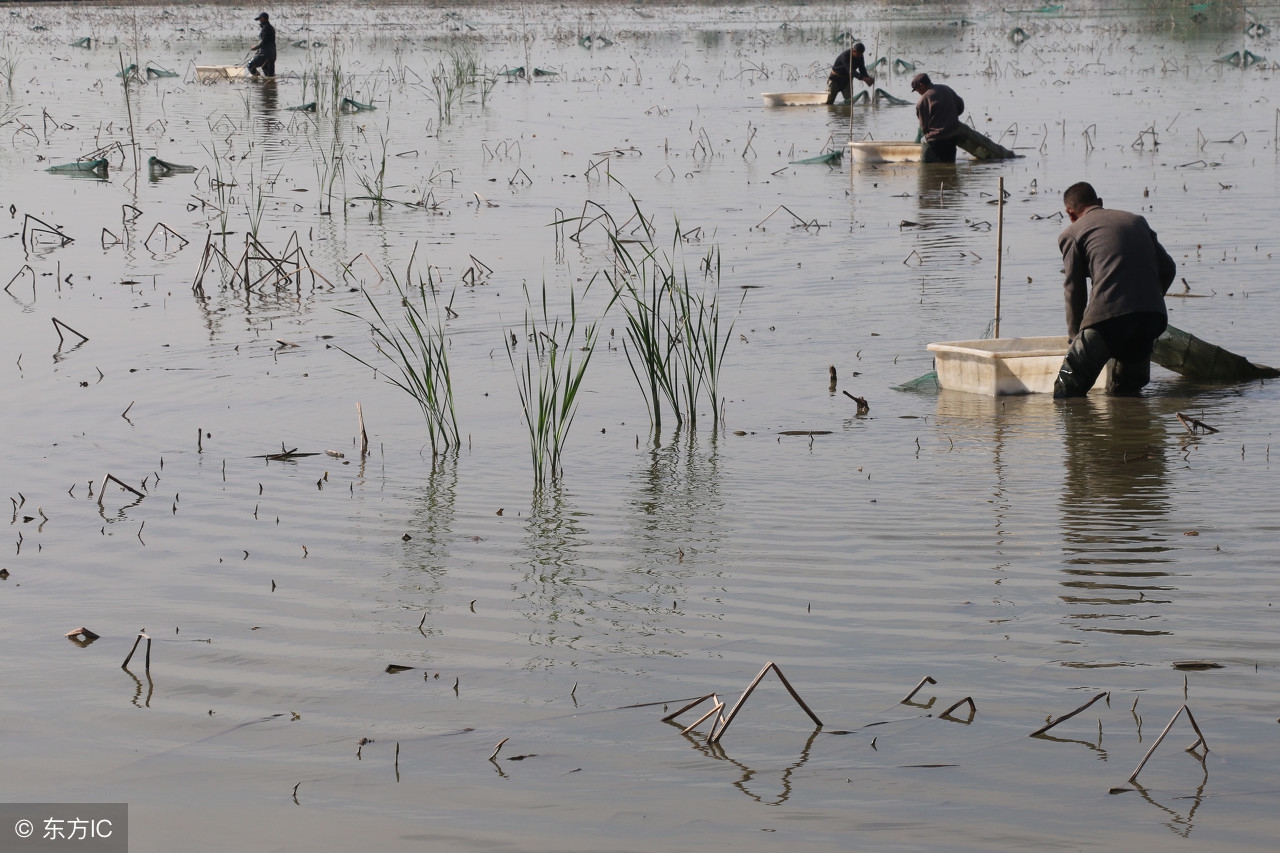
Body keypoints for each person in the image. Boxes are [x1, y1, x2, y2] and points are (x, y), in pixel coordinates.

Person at [1053, 182, 1176, 398]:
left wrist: (1074, 336)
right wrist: (1148, 300)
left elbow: (1074, 289)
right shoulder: (1136, 221)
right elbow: (1168, 268)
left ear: (1070, 214)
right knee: (1128, 392)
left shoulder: (1072, 233)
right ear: (1099, 203)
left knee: (1068, 390)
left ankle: (1075, 430)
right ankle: (1129, 429)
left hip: (1107, 320)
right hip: (1151, 318)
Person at [911, 73, 964, 163]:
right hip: (953, 136)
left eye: (917, 90)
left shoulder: (923, 100)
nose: (919, 93)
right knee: (950, 166)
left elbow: (924, 126)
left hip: (936, 140)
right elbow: (960, 106)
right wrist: (950, 117)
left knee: (929, 169)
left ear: (922, 85)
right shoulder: (946, 89)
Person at [248, 12, 276, 78]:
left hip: (264, 55)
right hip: (272, 55)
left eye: (260, 19)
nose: (259, 21)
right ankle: (271, 86)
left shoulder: (266, 28)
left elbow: (263, 42)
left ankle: (256, 82)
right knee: (269, 76)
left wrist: (255, 47)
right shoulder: (270, 28)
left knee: (250, 65)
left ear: (263, 18)